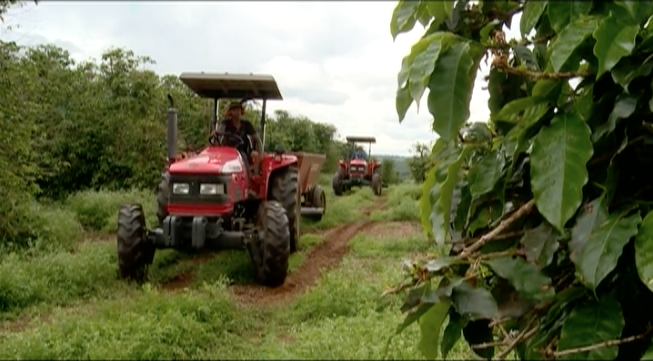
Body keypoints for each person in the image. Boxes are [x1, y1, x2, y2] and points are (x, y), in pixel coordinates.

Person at [214, 101, 263, 167]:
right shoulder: (225, 123)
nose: (237, 112)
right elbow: (218, 132)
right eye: (234, 110)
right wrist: (216, 133)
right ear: (230, 112)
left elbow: (257, 139)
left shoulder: (246, 124)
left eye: (239, 109)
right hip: (227, 151)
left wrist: (260, 155)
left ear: (241, 111)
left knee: (245, 158)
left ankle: (247, 175)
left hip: (242, 151)